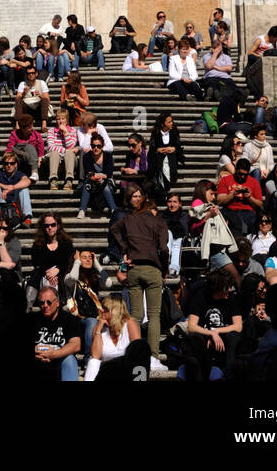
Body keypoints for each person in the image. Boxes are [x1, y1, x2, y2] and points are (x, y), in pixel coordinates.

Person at [109, 182, 168, 364]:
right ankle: (153, 357)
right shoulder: (157, 221)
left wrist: (125, 248)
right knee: (154, 315)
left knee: (135, 315)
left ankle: (133, 356)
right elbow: (164, 249)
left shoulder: (127, 219)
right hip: (153, 269)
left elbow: (113, 229)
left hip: (134, 269)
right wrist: (164, 269)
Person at [184, 268, 243, 379]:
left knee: (234, 335)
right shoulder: (201, 296)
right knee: (194, 337)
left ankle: (229, 372)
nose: (230, 290)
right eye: (227, 287)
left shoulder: (232, 298)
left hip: (224, 335)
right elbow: (192, 326)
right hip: (205, 336)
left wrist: (216, 331)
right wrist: (210, 334)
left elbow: (238, 326)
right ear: (218, 287)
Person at [84, 295, 147, 382]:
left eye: (105, 309)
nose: (101, 310)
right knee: (93, 362)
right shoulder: (99, 327)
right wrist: (99, 329)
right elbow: (95, 356)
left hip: (126, 370)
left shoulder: (129, 324)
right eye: (102, 307)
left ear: (115, 311)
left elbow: (138, 354)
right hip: (107, 370)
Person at [32, 285, 81, 381]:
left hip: (59, 363)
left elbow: (76, 345)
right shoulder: (31, 320)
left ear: (57, 303)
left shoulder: (69, 319)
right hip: (38, 363)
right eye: (42, 302)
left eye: (49, 302)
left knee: (70, 360)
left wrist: (54, 354)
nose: (45, 305)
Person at [216, 158, 263, 236]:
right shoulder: (226, 180)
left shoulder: (254, 182)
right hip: (230, 211)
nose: (242, 177)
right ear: (235, 170)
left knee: (252, 220)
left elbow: (260, 204)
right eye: (240, 174)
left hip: (248, 212)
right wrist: (233, 194)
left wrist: (249, 197)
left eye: (245, 175)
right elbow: (219, 201)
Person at [0, 152, 33, 223]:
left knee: (24, 189)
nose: (9, 165)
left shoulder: (19, 175)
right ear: (4, 165)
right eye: (6, 163)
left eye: (12, 163)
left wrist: (12, 188)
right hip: (2, 202)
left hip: (16, 203)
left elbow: (27, 181)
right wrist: (3, 186)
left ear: (16, 164)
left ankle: (27, 218)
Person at [147, 111, 184, 201]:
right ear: (163, 123)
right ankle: (161, 189)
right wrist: (159, 150)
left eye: (172, 121)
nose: (172, 123)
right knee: (159, 162)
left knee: (169, 161)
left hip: (171, 157)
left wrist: (173, 149)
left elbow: (178, 146)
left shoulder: (174, 132)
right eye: (169, 122)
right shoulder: (156, 133)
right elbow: (152, 148)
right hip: (159, 157)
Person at [78, 134, 115, 219]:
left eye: (99, 146)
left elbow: (109, 174)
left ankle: (113, 209)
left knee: (104, 184)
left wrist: (100, 176)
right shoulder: (87, 156)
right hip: (92, 181)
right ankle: (82, 210)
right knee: (87, 184)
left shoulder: (108, 156)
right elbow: (88, 172)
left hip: (106, 181)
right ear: (91, 146)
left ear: (103, 146)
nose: (96, 148)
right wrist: (97, 176)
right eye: (93, 146)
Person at [46, 108, 78, 191]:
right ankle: (53, 180)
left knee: (70, 153)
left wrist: (66, 133)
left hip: (69, 162)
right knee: (54, 152)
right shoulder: (51, 131)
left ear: (67, 120)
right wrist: (64, 150)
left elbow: (70, 146)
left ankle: (69, 180)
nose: (60, 121)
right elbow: (50, 147)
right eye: (58, 119)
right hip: (55, 162)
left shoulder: (73, 131)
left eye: (63, 119)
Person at [15, 65, 51, 132]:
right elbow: (17, 98)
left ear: (36, 74)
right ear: (26, 75)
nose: (31, 75)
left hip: (38, 108)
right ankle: (17, 125)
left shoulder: (42, 83)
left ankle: (44, 124)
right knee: (18, 99)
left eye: (33, 73)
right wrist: (23, 94)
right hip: (27, 108)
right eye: (29, 73)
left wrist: (40, 95)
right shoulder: (22, 84)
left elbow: (48, 99)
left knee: (45, 99)